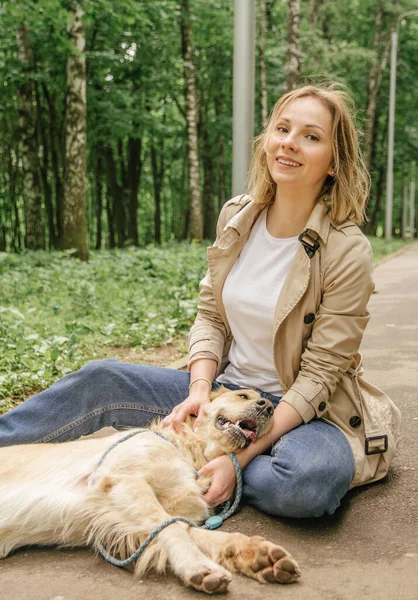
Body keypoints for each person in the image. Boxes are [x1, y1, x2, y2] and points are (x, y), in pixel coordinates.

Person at [0, 84, 401, 519]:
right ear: (267, 140)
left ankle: (198, 467)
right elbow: (210, 315)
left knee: (309, 482)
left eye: (311, 136)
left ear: (333, 162)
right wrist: (201, 394)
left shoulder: (347, 249)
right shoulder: (237, 216)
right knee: (100, 378)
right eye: (282, 129)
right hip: (227, 397)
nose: (289, 143)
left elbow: (321, 373)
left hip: (303, 412)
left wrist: (239, 458)